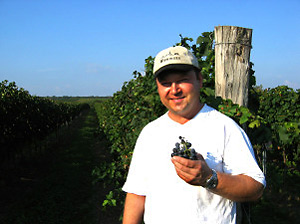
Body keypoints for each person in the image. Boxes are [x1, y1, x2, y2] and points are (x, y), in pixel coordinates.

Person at [122, 46, 266, 224]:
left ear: (199, 80)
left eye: (182, 80)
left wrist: (208, 178)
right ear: (158, 87)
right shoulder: (149, 133)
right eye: (166, 83)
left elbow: (255, 189)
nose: (174, 90)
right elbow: (137, 194)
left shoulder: (225, 127)